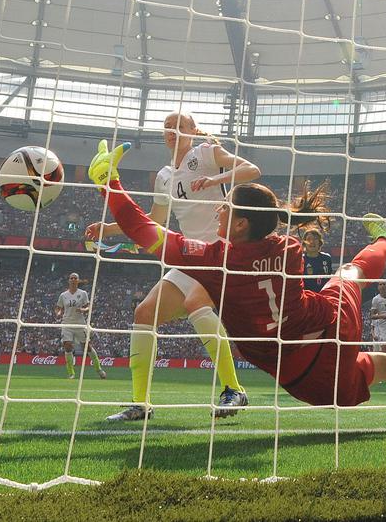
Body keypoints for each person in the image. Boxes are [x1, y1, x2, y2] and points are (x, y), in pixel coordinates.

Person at [88, 141, 386, 417]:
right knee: (350, 274)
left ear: (242, 223)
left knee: (378, 367)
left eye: (224, 207)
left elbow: (146, 234)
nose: (217, 212)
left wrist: (110, 183)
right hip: (330, 328)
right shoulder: (288, 249)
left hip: (307, 383)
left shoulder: (214, 261)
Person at [85, 113, 259, 422]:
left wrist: (215, 180)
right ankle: (140, 404)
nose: (172, 131)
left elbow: (251, 169)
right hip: (188, 257)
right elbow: (155, 221)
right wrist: (108, 230)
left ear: (193, 130)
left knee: (195, 302)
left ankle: (234, 389)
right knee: (144, 313)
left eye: (180, 125)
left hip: (221, 254)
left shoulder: (205, 152)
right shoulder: (164, 175)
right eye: (168, 126)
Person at [54, 272, 106, 380]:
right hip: (67, 323)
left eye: (75, 278)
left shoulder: (83, 293)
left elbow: (88, 307)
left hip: (80, 323)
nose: (73, 280)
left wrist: (83, 309)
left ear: (78, 281)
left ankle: (99, 369)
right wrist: (58, 313)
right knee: (67, 345)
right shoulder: (63, 295)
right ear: (69, 280)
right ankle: (71, 373)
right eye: (71, 278)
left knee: (87, 346)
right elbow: (58, 307)